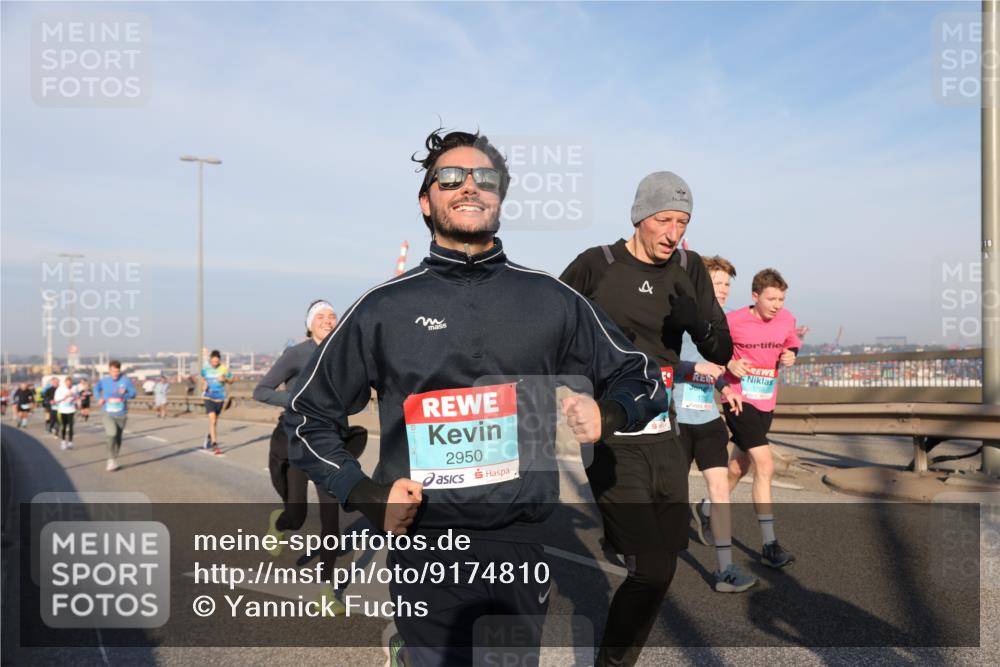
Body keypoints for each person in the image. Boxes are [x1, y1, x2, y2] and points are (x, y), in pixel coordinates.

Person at [285, 129, 668, 667]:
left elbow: (643, 378)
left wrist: (608, 412)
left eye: (484, 178)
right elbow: (306, 419)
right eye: (450, 177)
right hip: (426, 543)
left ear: (501, 198)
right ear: (426, 200)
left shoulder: (551, 300)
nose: (470, 186)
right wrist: (367, 497)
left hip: (520, 544)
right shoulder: (382, 308)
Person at [560, 171, 733, 666]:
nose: (673, 232)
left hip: (664, 429)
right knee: (650, 568)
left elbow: (719, 348)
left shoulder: (689, 267)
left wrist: (697, 313)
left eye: (682, 222)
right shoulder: (597, 265)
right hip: (610, 429)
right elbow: (549, 323)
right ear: (640, 217)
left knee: (660, 564)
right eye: (663, 219)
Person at [254, 300, 368, 617]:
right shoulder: (297, 354)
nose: (329, 320)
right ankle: (279, 523)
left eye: (333, 315)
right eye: (321, 316)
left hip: (331, 443)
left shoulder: (342, 354)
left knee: (331, 521)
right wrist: (296, 399)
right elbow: (260, 391)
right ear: (309, 324)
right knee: (297, 515)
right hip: (298, 441)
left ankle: (326, 591)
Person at [678, 256, 756, 593]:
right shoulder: (681, 319)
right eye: (716, 283)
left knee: (720, 489)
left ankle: (725, 571)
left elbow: (713, 367)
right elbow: (659, 361)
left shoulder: (719, 324)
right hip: (675, 419)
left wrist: (724, 387)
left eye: (727, 284)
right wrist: (695, 371)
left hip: (707, 419)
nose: (723, 290)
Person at [716, 267, 801, 569]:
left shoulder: (786, 318)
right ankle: (769, 545)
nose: (777, 304)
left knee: (739, 467)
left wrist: (791, 354)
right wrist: (729, 363)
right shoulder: (733, 320)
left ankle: (706, 505)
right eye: (772, 298)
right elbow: (715, 353)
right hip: (738, 399)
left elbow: (790, 343)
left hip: (766, 401)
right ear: (755, 296)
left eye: (781, 298)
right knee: (765, 464)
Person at [94, 360, 137, 472]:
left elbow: (133, 394)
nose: (115, 374)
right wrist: (99, 398)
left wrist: (125, 393)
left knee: (118, 438)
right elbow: (96, 389)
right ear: (109, 370)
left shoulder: (125, 381)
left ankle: (113, 458)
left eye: (117, 371)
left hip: (121, 413)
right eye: (113, 371)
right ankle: (110, 459)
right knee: (111, 433)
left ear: (120, 370)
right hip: (107, 412)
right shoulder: (104, 381)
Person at [201, 350, 234, 455]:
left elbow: (232, 380)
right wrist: (204, 384)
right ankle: (215, 445)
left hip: (220, 397)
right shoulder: (206, 368)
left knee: (214, 422)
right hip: (208, 396)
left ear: (219, 360)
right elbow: (203, 377)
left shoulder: (223, 369)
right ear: (211, 360)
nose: (214, 363)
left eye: (216, 361)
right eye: (213, 361)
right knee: (213, 420)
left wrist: (224, 379)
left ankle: (210, 436)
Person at [54, 376, 79, 450]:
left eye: (70, 383)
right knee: (64, 426)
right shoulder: (60, 389)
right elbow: (56, 400)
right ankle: (63, 442)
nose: (69, 384)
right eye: (67, 383)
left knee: (71, 427)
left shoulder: (75, 388)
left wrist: (74, 397)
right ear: (65, 382)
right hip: (63, 410)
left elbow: (77, 397)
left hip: (71, 410)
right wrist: (65, 397)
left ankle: (70, 442)